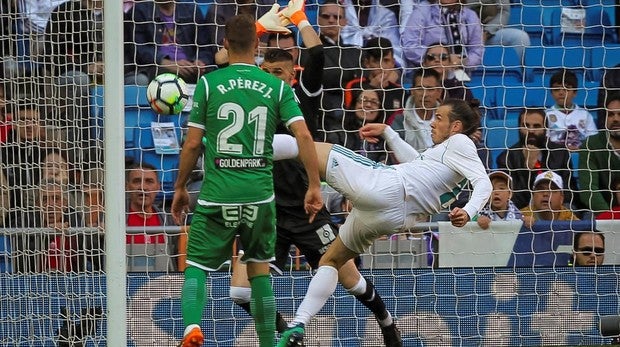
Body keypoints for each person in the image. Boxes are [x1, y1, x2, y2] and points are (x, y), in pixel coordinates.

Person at [275, 98, 492, 346]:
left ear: (456, 126)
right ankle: (298, 325)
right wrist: (389, 132)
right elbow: (416, 162)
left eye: (439, 118)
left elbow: (483, 182)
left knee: (301, 146)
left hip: (386, 186)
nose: (432, 123)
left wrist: (469, 210)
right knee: (331, 260)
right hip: (393, 218)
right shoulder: (444, 156)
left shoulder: (461, 142)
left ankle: (239, 152)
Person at [171, 14, 323, 347]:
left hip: (217, 194)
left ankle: (192, 328)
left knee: (196, 266)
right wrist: (314, 185)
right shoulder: (276, 86)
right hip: (259, 196)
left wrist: (181, 188)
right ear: (257, 46)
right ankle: (268, 342)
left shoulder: (210, 84)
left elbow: (194, 143)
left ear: (225, 44)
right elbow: (304, 137)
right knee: (259, 274)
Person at [497, 108, 574, 209]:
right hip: (520, 213)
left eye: (536, 126)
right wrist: (528, 170)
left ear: (545, 129)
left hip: (557, 209)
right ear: (519, 128)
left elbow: (569, 194)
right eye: (526, 126)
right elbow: (514, 200)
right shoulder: (506, 159)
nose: (531, 130)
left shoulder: (561, 153)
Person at [124, 0, 215, 84]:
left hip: (190, 68)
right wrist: (166, 63)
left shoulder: (192, 10)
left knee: (215, 75)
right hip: (157, 68)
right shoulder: (140, 11)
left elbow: (205, 47)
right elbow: (138, 49)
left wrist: (199, 62)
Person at [312, 0, 363, 143]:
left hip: (352, 112)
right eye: (326, 16)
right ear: (318, 20)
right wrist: (349, 75)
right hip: (322, 114)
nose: (331, 20)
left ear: (345, 21)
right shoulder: (308, 50)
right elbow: (326, 77)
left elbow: (362, 79)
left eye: (337, 17)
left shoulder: (355, 51)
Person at [401, 0, 484, 73]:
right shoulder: (421, 12)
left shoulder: (470, 15)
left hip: (461, 73)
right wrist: (441, 58)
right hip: (427, 73)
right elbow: (410, 46)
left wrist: (463, 62)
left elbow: (477, 49)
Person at [343, 37, 406, 120]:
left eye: (386, 61)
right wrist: (372, 88)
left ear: (393, 63)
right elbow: (349, 118)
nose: (382, 67)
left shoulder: (400, 91)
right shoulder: (354, 86)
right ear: (367, 63)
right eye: (376, 61)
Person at [579, 93, 620, 215]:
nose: (615, 119)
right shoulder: (591, 145)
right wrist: (610, 217)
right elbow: (588, 190)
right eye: (611, 114)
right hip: (601, 214)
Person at [389, 67, 443, 153]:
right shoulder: (399, 119)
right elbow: (394, 151)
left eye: (430, 89)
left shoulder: (448, 119)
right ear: (412, 91)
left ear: (439, 92)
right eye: (420, 89)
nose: (425, 94)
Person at [340, 0, 403, 68]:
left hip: (379, 67)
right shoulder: (338, 12)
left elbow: (395, 52)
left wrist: (396, 72)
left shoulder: (386, 15)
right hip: (344, 64)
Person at [545, 69, 598, 151]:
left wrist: (580, 148)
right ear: (551, 93)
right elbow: (544, 140)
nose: (561, 93)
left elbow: (593, 140)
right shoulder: (546, 115)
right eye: (556, 89)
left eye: (566, 89)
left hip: (582, 156)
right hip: (555, 157)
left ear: (575, 92)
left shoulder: (585, 115)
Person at [125, 162, 174, 245]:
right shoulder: (114, 220)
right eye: (136, 181)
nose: (143, 187)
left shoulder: (168, 220)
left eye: (149, 181)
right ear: (127, 186)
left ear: (158, 187)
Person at [465, 0, 530, 62]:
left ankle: (520, 72)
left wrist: (486, 32)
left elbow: (503, 11)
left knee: (520, 38)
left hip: (487, 32)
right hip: (462, 34)